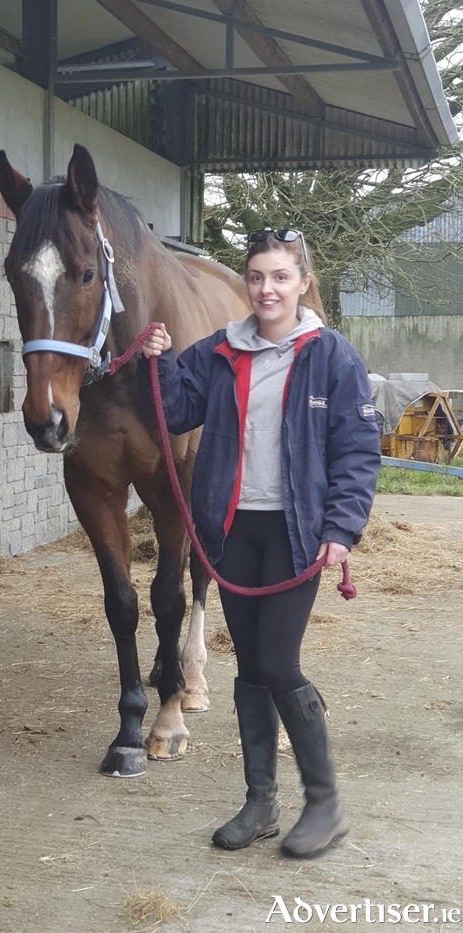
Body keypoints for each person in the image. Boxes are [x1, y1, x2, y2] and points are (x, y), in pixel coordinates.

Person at [138, 229, 381, 860]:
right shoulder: (220, 350)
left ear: (302, 283)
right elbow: (175, 411)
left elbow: (358, 450)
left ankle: (324, 804)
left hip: (296, 533)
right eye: (256, 277)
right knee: (249, 667)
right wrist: (159, 360)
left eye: (279, 277)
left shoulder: (331, 356)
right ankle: (261, 803)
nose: (266, 289)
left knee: (277, 662)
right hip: (234, 528)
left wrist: (341, 529)